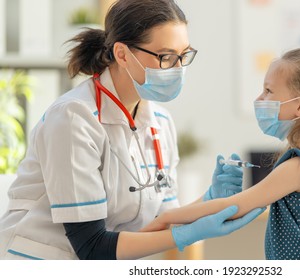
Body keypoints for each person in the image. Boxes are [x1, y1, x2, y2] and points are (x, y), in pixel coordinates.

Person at [0, 0, 264, 260]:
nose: (179, 69)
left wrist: (208, 201)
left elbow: (161, 222)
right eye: (166, 57)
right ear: (122, 54)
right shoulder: (73, 118)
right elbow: (92, 246)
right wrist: (185, 235)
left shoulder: (160, 122)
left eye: (184, 55)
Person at [142, 48, 300, 260]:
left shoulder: (298, 167)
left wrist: (169, 216)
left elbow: (233, 207)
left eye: (269, 91)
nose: (259, 99)